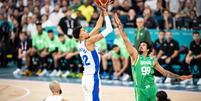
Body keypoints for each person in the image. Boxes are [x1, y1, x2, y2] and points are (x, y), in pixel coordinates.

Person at [114, 13, 192, 101]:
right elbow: (126, 39)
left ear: (148, 49)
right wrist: (120, 25)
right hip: (140, 90)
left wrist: (180, 77)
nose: (140, 46)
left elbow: (165, 73)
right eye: (140, 45)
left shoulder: (152, 60)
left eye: (143, 45)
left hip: (152, 89)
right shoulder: (135, 56)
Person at [72, 1, 112, 101]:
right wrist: (106, 14)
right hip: (92, 78)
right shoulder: (89, 41)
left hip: (85, 78)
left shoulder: (80, 42)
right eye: (84, 31)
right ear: (81, 36)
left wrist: (102, 11)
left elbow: (98, 27)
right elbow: (109, 29)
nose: (86, 31)